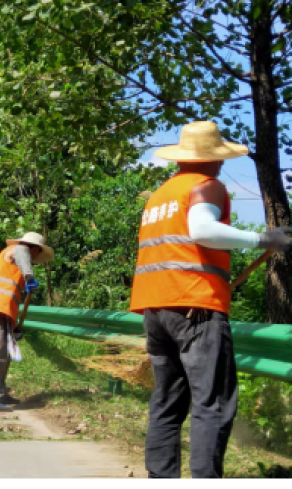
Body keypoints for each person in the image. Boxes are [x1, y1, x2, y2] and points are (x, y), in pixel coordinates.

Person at [129, 121, 292, 478]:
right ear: (212, 158)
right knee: (213, 403)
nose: (221, 164)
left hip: (155, 309)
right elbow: (202, 230)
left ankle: (161, 478)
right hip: (195, 309)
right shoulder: (207, 185)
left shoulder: (161, 195)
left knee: (167, 401)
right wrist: (263, 240)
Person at [0, 232, 53, 412]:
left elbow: (9, 295)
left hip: (0, 309)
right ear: (34, 248)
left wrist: (13, 326)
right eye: (37, 253)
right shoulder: (18, 249)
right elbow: (22, 251)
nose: (36, 257)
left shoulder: (16, 264)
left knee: (4, 351)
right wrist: (29, 277)